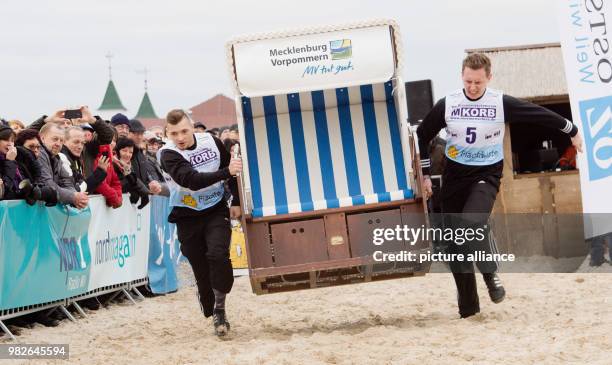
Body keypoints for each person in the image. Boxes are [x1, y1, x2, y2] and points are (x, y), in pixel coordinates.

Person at [416, 53, 583, 319]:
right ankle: (469, 310)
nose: (472, 87)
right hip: (455, 177)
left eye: (478, 82)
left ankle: (491, 273)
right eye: (469, 81)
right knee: (457, 247)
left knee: (472, 222)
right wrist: (424, 174)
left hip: (487, 174)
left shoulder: (499, 103)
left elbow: (537, 114)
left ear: (489, 78)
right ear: (462, 76)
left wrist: (571, 130)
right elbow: (422, 135)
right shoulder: (447, 104)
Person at [159, 109, 242, 337]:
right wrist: (225, 172)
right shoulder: (167, 153)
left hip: (215, 208)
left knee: (217, 255)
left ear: (193, 127)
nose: (180, 138)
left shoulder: (212, 141)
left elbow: (235, 170)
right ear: (167, 132)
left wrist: (235, 198)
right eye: (174, 133)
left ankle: (221, 310)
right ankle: (208, 298)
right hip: (187, 214)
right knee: (201, 269)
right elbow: (191, 180)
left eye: (184, 131)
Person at [38, 123, 89, 209]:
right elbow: (47, 184)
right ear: (42, 138)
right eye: (55, 139)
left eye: (61, 140)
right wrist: (73, 197)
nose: (58, 144)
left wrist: (75, 196)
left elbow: (66, 182)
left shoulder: (57, 157)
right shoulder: (39, 154)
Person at [113, 137, 149, 209]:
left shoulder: (127, 166)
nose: (127, 154)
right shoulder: (112, 164)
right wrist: (134, 190)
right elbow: (120, 185)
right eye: (124, 151)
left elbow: (134, 180)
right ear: (117, 151)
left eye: (130, 152)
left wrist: (145, 193)